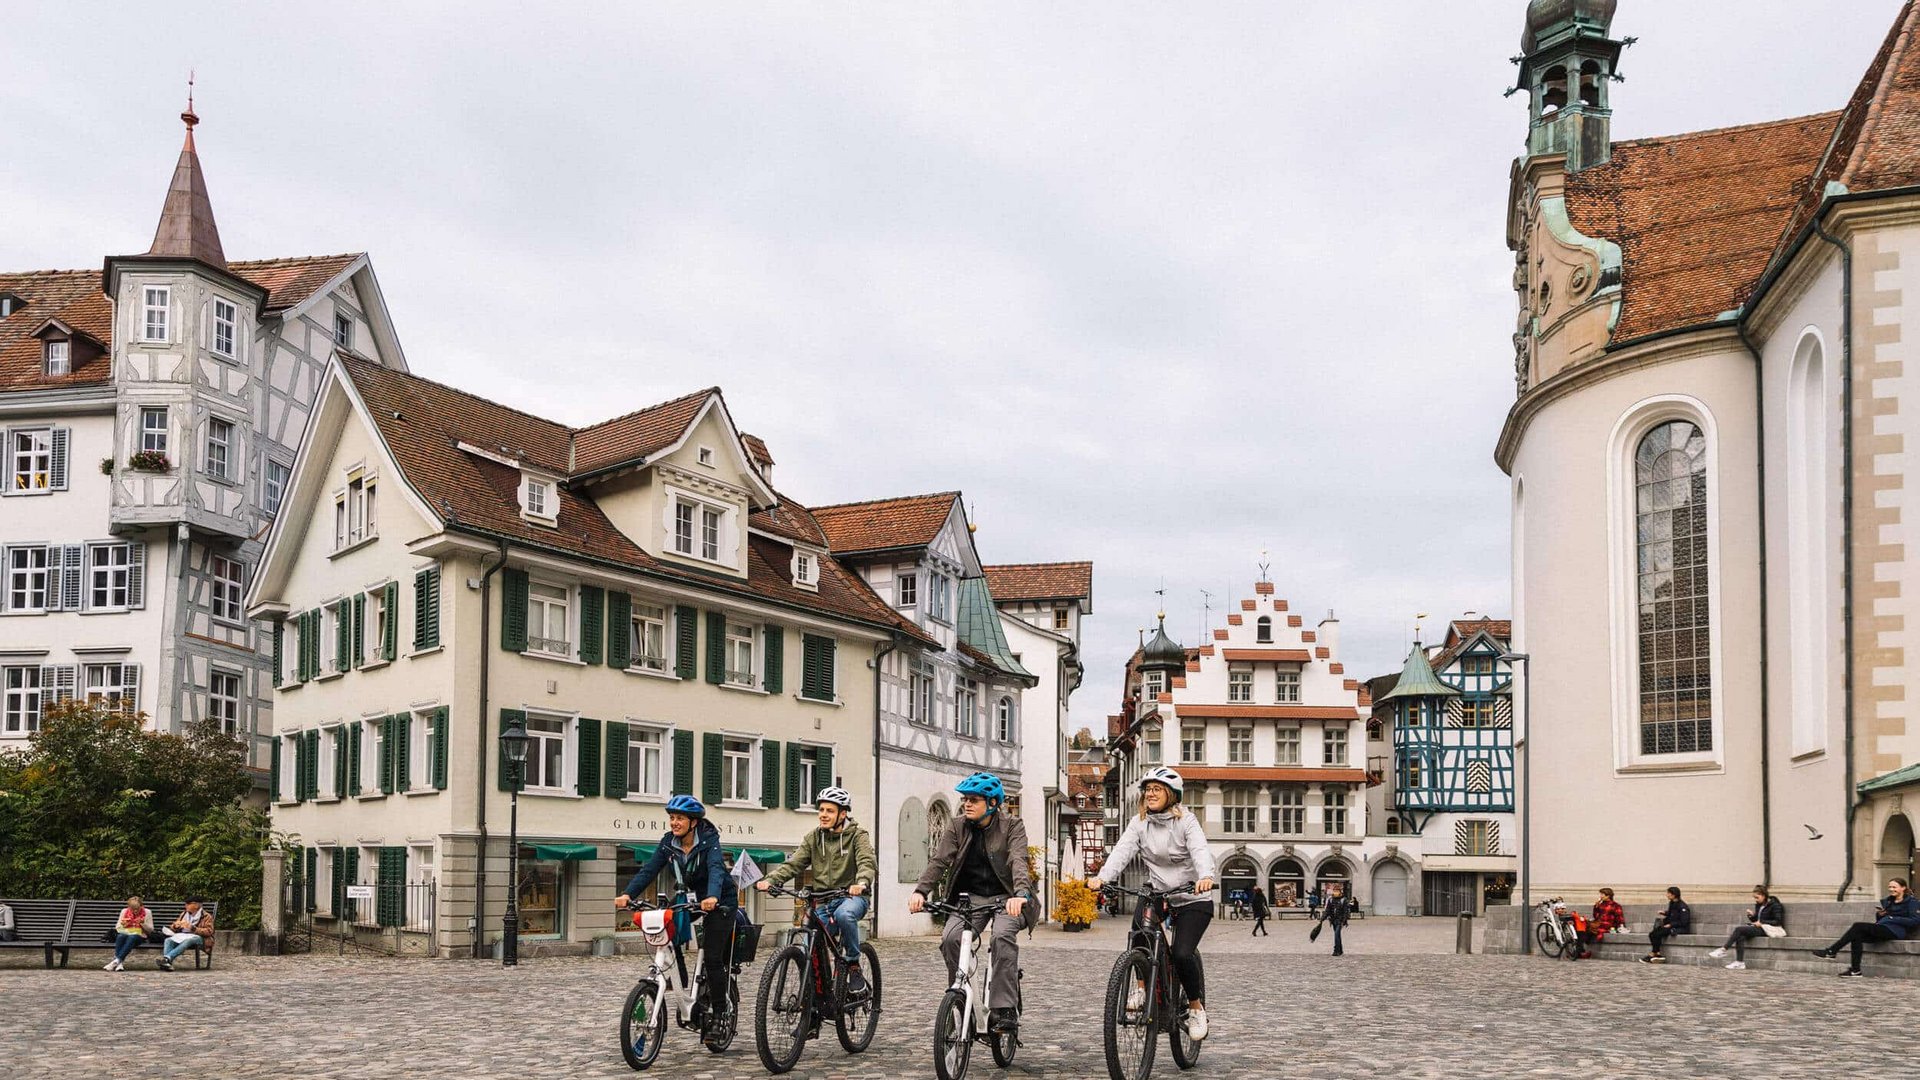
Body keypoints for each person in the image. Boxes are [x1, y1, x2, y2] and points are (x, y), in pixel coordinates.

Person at [1094, 766, 1218, 1041]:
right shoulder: (1139, 823)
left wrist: (1206, 876)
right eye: (1148, 789)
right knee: (1139, 931)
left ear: (1172, 795)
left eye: (1157, 789)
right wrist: (1102, 878)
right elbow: (1122, 851)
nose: (1150, 794)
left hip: (1192, 896)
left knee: (1183, 953)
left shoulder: (1186, 821)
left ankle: (1196, 1008)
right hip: (1159, 893)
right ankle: (1141, 986)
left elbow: (1199, 849)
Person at [910, 772, 1032, 1036]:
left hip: (1007, 898)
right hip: (970, 898)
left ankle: (1004, 1008)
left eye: (974, 800)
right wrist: (921, 891)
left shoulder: (1012, 826)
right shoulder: (957, 826)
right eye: (965, 799)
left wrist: (1020, 894)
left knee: (1001, 936)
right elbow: (939, 861)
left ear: (991, 803)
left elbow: (1019, 860)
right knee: (951, 938)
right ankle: (960, 995)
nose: (966, 804)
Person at [616, 795, 739, 1045]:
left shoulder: (709, 841)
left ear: (693, 822)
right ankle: (681, 982)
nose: (674, 822)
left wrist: (714, 896)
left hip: (720, 901)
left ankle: (719, 1014)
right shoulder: (668, 842)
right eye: (672, 818)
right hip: (689, 897)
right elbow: (649, 869)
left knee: (713, 957)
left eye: (679, 818)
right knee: (668, 930)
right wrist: (628, 893)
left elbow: (716, 869)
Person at [756, 786, 878, 995]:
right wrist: (771, 880)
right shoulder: (814, 838)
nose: (823, 815)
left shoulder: (858, 836)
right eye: (821, 810)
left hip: (852, 897)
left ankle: (853, 964)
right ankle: (814, 1004)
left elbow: (867, 862)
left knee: (844, 914)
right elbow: (794, 863)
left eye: (829, 811)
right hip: (822, 899)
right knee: (811, 943)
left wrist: (862, 882)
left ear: (843, 813)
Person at [1813, 877, 1919, 978]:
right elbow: (1882, 920)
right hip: (1882, 928)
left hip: (1895, 931)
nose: (1891, 889)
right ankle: (1855, 971)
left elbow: (1915, 921)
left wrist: (1892, 918)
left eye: (1894, 887)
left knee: (1858, 926)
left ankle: (1831, 951)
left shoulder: (1912, 902)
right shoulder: (1889, 901)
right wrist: (1880, 915)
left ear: (1903, 888)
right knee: (1856, 936)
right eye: (1890, 887)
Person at [1707, 886, 1785, 970]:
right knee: (1740, 936)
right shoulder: (1759, 905)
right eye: (1754, 897)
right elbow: (1757, 920)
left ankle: (1724, 949)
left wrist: (1762, 923)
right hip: (1759, 928)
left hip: (1768, 929)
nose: (1755, 899)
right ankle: (1739, 962)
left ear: (1763, 895)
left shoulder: (1775, 905)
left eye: (1757, 897)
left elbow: (1778, 921)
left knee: (1739, 929)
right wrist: (1751, 916)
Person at [157, 897, 214, 971]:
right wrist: (176, 926)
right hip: (183, 935)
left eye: (188, 904)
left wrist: (193, 928)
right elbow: (173, 927)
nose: (186, 906)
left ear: (196, 905)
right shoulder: (184, 914)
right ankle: (167, 963)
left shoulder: (206, 916)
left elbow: (209, 931)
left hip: (199, 938)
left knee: (189, 940)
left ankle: (167, 958)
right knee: (168, 940)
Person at [1639, 886, 1691, 964]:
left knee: (1657, 934)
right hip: (1670, 926)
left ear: (1674, 895)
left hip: (1679, 928)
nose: (1666, 895)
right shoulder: (1672, 903)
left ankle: (1654, 954)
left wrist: (1671, 925)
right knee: (1652, 933)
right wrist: (1664, 913)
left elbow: (1684, 922)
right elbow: (1672, 914)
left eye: (1668, 893)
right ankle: (1657, 954)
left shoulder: (1683, 906)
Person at [105, 895, 152, 971]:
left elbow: (151, 930)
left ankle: (117, 960)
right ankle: (119, 963)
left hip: (140, 936)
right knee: (120, 936)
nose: (135, 911)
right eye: (133, 909)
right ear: (129, 907)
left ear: (141, 906)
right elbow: (117, 927)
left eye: (137, 909)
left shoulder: (147, 912)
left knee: (132, 937)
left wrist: (142, 923)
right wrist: (124, 924)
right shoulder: (124, 911)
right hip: (126, 933)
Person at [1576, 887, 1624, 959]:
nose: (1600, 896)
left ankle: (1579, 952)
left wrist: (1619, 927)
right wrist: (1596, 907)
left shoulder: (1615, 905)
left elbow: (1619, 917)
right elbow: (1596, 916)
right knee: (1581, 928)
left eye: (1602, 894)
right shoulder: (1601, 904)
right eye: (1600, 894)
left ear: (1608, 896)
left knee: (1587, 929)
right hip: (1598, 923)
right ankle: (1580, 952)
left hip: (1607, 925)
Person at [1320, 881, 1353, 956]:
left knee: (1336, 934)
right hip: (1333, 920)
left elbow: (1346, 911)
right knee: (1337, 935)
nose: (1335, 892)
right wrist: (1323, 918)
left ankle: (1336, 950)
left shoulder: (1343, 900)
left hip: (1340, 920)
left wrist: (1344, 920)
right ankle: (1340, 950)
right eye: (1334, 891)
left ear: (1340, 891)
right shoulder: (1331, 900)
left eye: (1337, 891)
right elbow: (1327, 910)